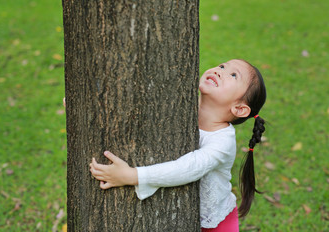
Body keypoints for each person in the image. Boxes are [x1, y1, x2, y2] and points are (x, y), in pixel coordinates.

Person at [89, 59, 267, 232]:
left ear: (239, 109)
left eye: (233, 75)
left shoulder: (222, 142)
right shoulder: (181, 105)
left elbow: (188, 167)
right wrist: (91, 108)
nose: (219, 70)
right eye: (222, 65)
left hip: (216, 223)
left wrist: (133, 175)